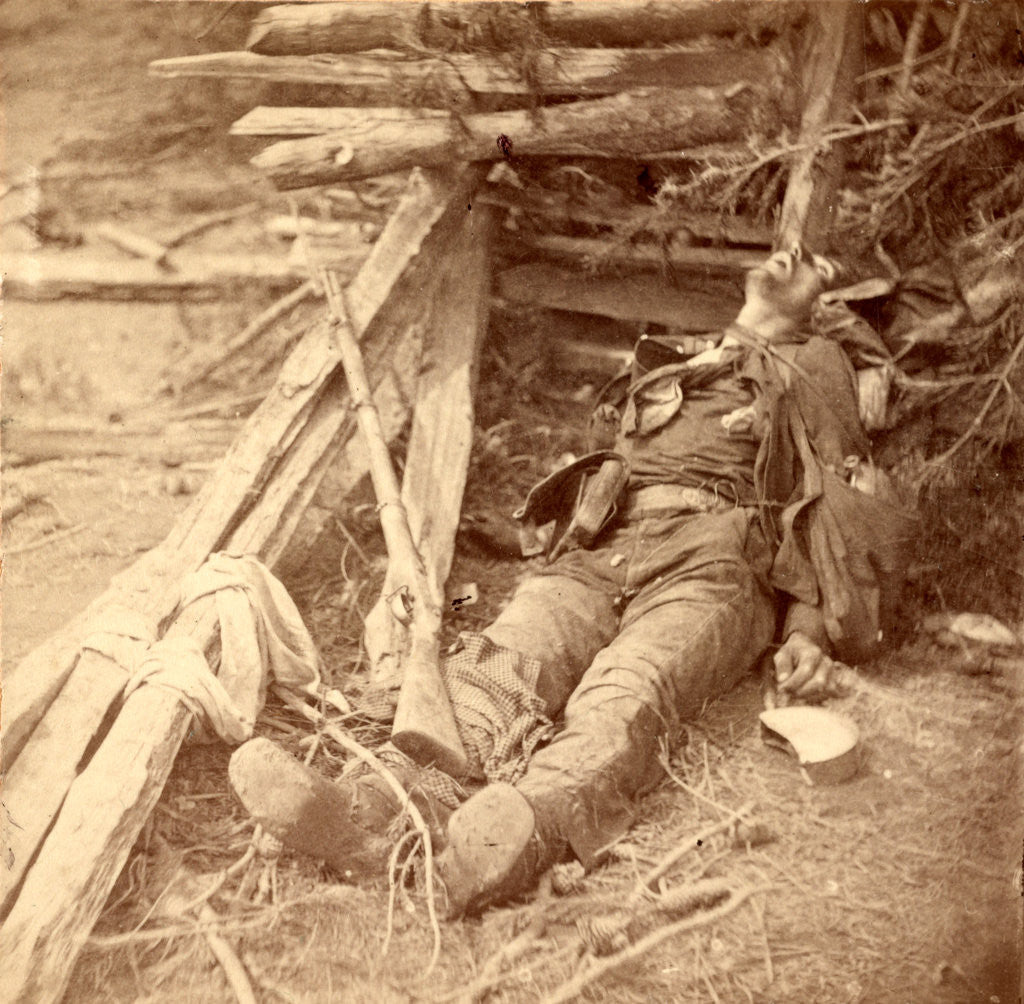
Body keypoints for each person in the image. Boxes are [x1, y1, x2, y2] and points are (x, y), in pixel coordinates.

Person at [229, 244, 911, 916]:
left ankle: (518, 835)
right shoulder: (683, 357)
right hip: (601, 543)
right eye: (785, 246)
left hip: (714, 560)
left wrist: (806, 630)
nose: (787, 253)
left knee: (626, 692)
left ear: (827, 294)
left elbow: (837, 506)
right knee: (502, 662)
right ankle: (364, 809)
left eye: (811, 259)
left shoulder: (817, 363)